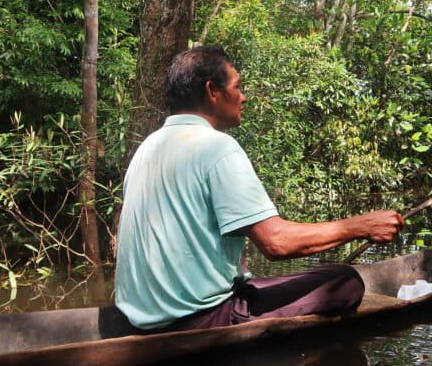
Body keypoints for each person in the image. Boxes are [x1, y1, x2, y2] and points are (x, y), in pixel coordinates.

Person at [115, 45, 404, 332]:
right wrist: (362, 226)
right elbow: (276, 243)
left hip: (138, 320)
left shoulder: (147, 147)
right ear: (212, 91)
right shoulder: (217, 147)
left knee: (259, 281)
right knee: (344, 280)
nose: (244, 97)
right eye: (238, 87)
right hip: (199, 319)